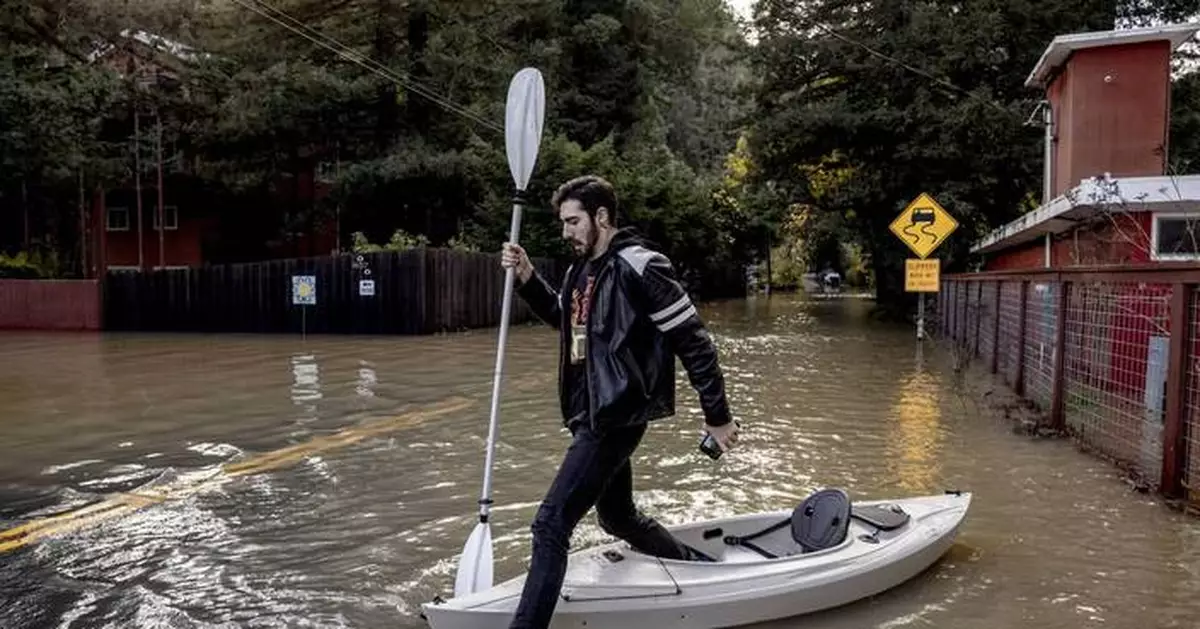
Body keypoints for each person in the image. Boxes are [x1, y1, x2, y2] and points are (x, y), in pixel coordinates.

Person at [499, 175, 740, 629]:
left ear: (601, 217)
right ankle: (696, 567)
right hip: (587, 411)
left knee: (550, 524)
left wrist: (718, 417)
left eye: (573, 221)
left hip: (616, 416)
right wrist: (529, 278)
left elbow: (694, 343)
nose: (565, 231)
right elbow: (564, 321)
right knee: (618, 517)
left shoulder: (642, 266)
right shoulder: (577, 272)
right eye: (563, 223)